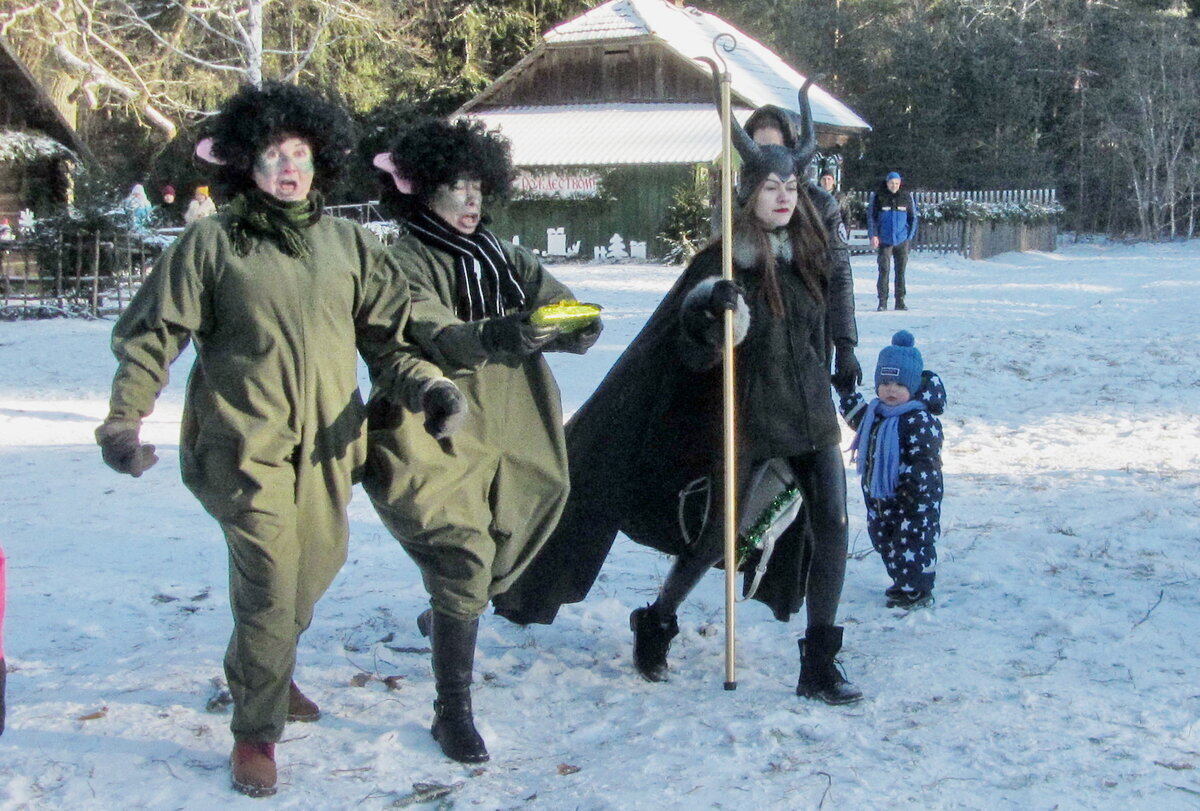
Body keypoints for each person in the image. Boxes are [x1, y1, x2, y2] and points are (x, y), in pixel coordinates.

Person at [94, 82, 457, 798]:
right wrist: (123, 420)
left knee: (314, 566)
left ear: (320, 160)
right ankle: (255, 732)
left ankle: (266, 666)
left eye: (299, 153)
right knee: (267, 581)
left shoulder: (349, 245)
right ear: (244, 165)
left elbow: (390, 344)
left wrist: (430, 389)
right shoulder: (212, 242)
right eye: (270, 155)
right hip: (240, 446)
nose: (288, 168)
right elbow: (152, 335)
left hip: (328, 447)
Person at [494, 80, 863, 706]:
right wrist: (710, 311)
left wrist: (846, 349)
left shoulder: (811, 252)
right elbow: (689, 350)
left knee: (833, 525)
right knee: (717, 538)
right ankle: (658, 617)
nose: (783, 196)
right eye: (771, 187)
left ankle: (820, 662)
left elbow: (832, 306)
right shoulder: (725, 261)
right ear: (748, 192)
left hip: (810, 414)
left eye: (791, 186)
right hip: (746, 418)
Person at [366, 117, 601, 764]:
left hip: (518, 411)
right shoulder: (402, 260)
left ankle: (452, 610)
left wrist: (569, 322)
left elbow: (565, 305)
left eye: (477, 185)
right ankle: (453, 710)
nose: (470, 199)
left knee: (528, 513)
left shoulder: (504, 256)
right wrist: (496, 334)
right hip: (435, 420)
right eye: (454, 186)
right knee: (463, 551)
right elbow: (433, 330)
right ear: (419, 191)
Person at [840, 330, 944, 608]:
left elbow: (925, 459)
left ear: (913, 385)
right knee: (886, 542)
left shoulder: (919, 419)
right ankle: (902, 583)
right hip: (881, 499)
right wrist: (847, 394)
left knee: (913, 543)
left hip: (913, 501)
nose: (891, 390)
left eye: (899, 383)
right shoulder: (877, 413)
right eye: (885, 383)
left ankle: (917, 590)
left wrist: (913, 488)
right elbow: (859, 421)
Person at [868, 171, 918, 311]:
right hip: (884, 240)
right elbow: (872, 217)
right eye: (891, 183)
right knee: (884, 271)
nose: (894, 186)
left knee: (900, 271)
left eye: (896, 183)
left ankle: (900, 301)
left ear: (900, 183)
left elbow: (913, 218)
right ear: (887, 183)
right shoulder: (879, 196)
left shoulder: (906, 197)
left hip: (902, 240)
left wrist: (909, 236)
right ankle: (882, 301)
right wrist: (873, 235)